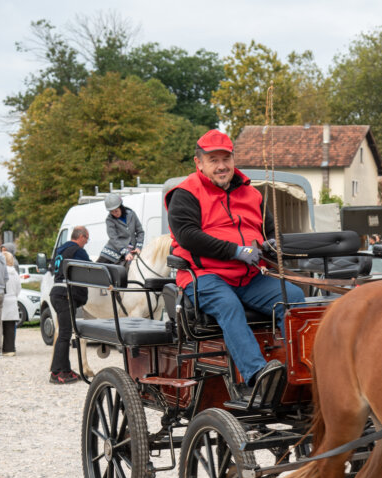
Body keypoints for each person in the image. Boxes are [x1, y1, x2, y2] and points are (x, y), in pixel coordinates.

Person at [167, 129, 305, 391]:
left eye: (226, 159)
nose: (221, 166)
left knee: (293, 297)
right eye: (213, 160)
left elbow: (271, 229)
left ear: (233, 159)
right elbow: (188, 236)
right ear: (199, 163)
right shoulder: (185, 193)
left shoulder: (251, 193)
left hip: (250, 276)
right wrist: (235, 251)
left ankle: (298, 368)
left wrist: (271, 243)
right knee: (228, 305)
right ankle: (257, 375)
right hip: (204, 275)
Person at [49, 226, 91, 384]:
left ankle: (64, 369)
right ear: (81, 237)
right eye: (86, 239)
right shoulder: (77, 250)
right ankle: (58, 373)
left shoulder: (60, 250)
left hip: (56, 292)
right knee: (65, 334)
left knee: (64, 334)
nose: (86, 242)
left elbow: (53, 269)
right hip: (66, 294)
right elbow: (90, 268)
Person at [97, 193, 145, 265]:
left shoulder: (132, 214)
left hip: (132, 249)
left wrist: (138, 247)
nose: (114, 214)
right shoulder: (109, 220)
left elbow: (140, 232)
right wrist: (125, 252)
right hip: (113, 250)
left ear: (121, 207)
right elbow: (114, 238)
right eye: (111, 212)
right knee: (98, 267)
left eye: (116, 211)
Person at [0, 250, 21, 356]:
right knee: (10, 327)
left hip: (3, 300)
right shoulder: (15, 273)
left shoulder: (0, 272)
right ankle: (9, 349)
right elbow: (19, 288)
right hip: (12, 300)